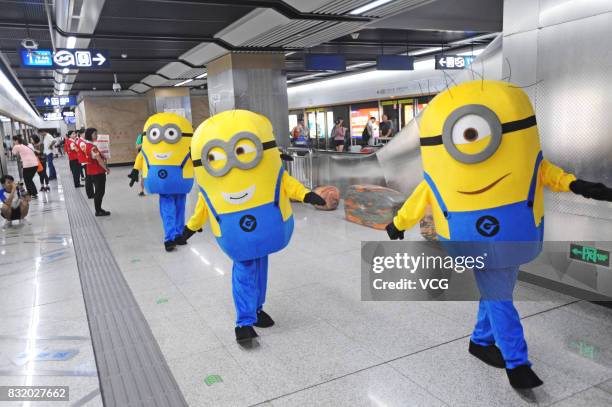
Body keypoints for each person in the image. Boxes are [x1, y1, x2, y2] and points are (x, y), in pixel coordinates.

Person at [386, 80, 612, 389]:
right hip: (474, 237)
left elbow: (545, 172)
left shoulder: (524, 158)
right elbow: (426, 192)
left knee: (496, 291)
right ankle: (517, 362)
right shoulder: (444, 168)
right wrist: (398, 222)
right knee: (499, 296)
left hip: (514, 235)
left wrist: (581, 186)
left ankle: (480, 342)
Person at [182, 110, 326, 345]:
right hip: (236, 233)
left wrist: (307, 195)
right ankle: (244, 322)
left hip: (261, 229)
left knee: (260, 265)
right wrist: (190, 228)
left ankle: (257, 309)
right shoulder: (213, 181)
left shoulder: (267, 167)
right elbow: (205, 201)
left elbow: (283, 182)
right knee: (245, 267)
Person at [128, 113, 195, 252]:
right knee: (172, 209)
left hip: (176, 179)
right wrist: (135, 170)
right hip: (178, 179)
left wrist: (135, 170)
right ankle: (171, 237)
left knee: (177, 208)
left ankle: (175, 235)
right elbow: (142, 155)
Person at [84, 128, 110, 216]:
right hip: (97, 172)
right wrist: (106, 168)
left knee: (98, 191)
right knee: (99, 192)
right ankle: (98, 211)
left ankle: (99, 209)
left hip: (92, 171)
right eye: (95, 134)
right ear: (90, 135)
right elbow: (99, 160)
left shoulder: (88, 145)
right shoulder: (92, 147)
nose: (96, 135)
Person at [76, 129, 94, 198]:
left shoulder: (83, 141)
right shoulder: (82, 142)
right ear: (81, 134)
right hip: (85, 162)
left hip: (85, 161)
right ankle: (90, 194)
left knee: (89, 178)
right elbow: (85, 152)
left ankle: (90, 193)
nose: (86, 135)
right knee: (89, 178)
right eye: (85, 133)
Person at [134, 132, 145, 196]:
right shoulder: (140, 136)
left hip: (152, 158)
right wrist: (144, 143)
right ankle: (142, 190)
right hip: (143, 158)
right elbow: (137, 146)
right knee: (143, 175)